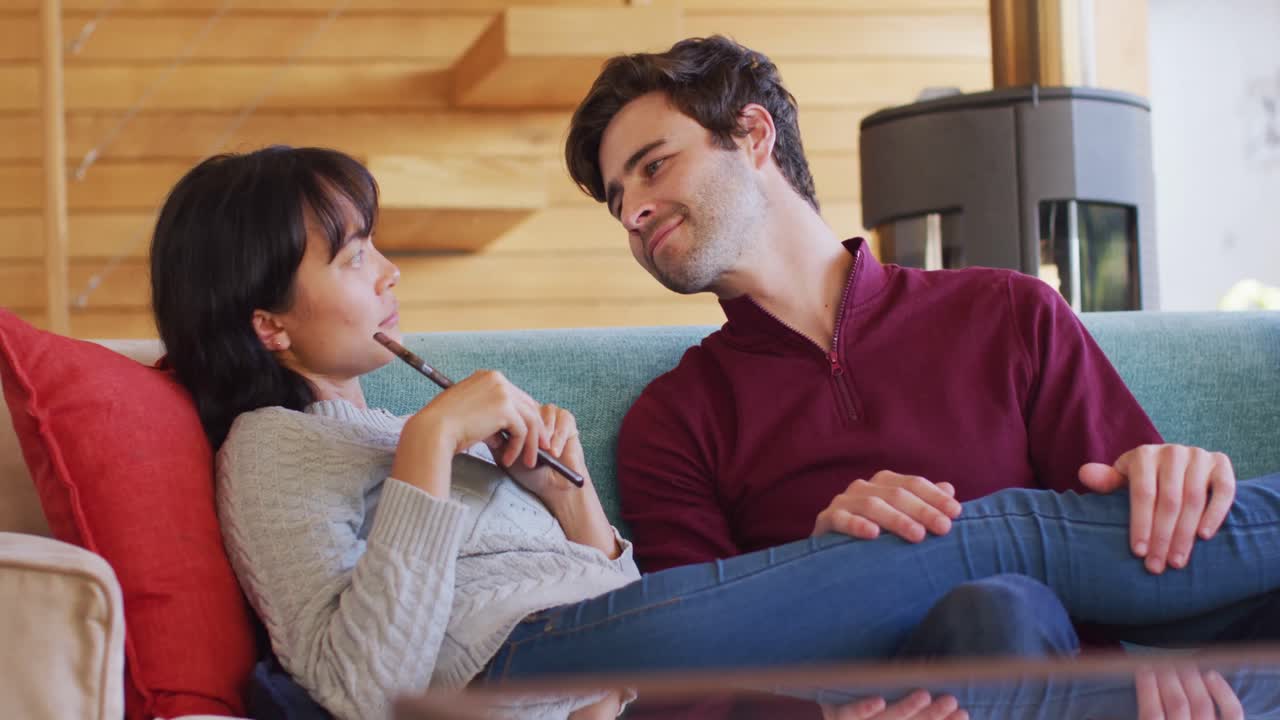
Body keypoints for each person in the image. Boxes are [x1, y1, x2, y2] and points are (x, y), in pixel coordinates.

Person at [149, 146, 1280, 720]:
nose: (388, 269)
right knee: (986, 539)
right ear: (267, 321)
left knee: (1000, 599)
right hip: (525, 676)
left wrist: (567, 503)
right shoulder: (273, 448)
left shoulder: (392, 424)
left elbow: (628, 596)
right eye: (351, 255)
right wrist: (430, 448)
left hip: (611, 659)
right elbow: (364, 689)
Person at [562, 35, 1267, 664]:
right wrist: (828, 575)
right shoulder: (672, 422)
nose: (632, 212)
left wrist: (1175, 477)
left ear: (752, 135)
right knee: (992, 612)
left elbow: (1158, 562)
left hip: (1081, 690)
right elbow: (695, 680)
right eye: (618, 199)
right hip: (879, 693)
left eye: (653, 167)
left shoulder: (1010, 313)